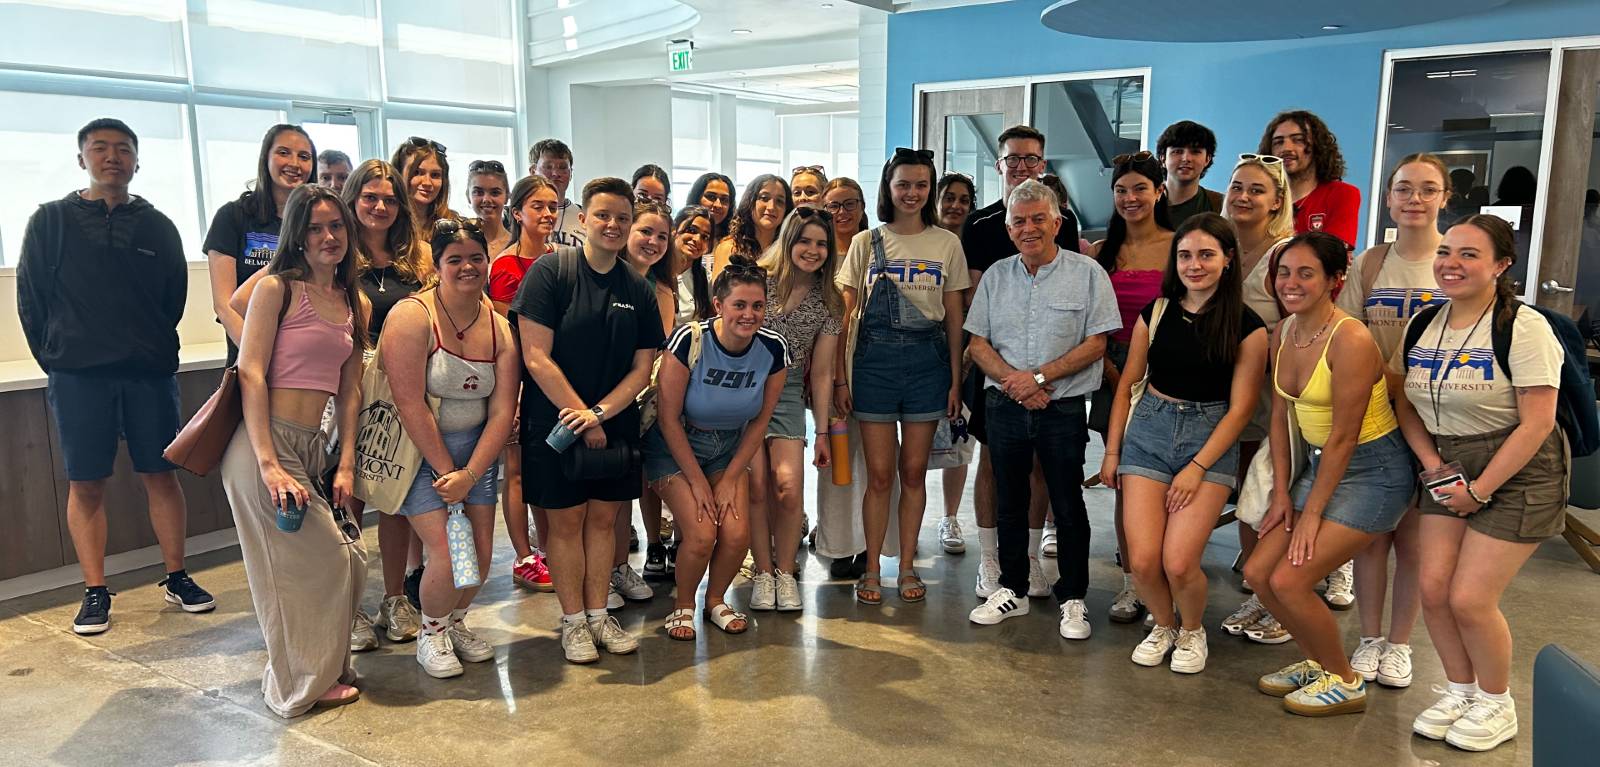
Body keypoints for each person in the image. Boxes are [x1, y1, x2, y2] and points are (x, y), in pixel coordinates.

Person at [17, 117, 212, 635]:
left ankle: (177, 576)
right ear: (82, 157)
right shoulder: (50, 222)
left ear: (136, 161)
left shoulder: (157, 225)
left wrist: (147, 346)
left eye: (123, 149)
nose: (112, 157)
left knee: (161, 475)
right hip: (79, 376)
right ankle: (95, 590)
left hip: (148, 372)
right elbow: (30, 300)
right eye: (100, 148)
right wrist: (59, 356)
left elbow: (173, 298)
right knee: (87, 484)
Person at [1393, 214, 1567, 752]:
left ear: (1500, 265)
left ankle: (1498, 703)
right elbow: (1405, 399)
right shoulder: (1423, 322)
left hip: (1519, 466)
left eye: (1470, 254)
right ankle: (1460, 690)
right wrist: (1431, 463)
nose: (1451, 263)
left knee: (1470, 598)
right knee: (1434, 589)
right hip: (1447, 462)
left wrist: (1481, 489)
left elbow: (1537, 422)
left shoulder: (1524, 326)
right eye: (1447, 251)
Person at [1243, 231, 1413, 718]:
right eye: (1283, 272)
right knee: (1258, 572)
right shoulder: (1284, 332)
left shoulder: (1351, 338)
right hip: (1318, 466)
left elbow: (1344, 436)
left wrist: (1311, 513)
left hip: (1373, 472)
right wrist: (1281, 494)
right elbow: (1280, 417)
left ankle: (1344, 679)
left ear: (1335, 281)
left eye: (1305, 273)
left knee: (1292, 581)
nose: (1290, 283)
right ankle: (1318, 661)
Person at [219, 184, 369, 717]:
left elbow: (350, 389)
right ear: (296, 236)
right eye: (314, 228)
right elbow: (251, 371)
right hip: (264, 446)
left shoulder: (355, 300)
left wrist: (346, 461)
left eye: (336, 227)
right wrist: (268, 463)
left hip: (314, 448)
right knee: (311, 564)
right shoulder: (277, 289)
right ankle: (297, 684)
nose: (328, 237)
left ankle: (323, 666)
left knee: (351, 560)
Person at [1098, 213, 1268, 671]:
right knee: (1144, 559)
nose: (1195, 265)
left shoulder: (1249, 328)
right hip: (1148, 432)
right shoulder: (1155, 313)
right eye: (1186, 255)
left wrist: (1197, 468)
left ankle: (1192, 630)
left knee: (1178, 561)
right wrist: (1112, 451)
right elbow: (1129, 383)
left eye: (1207, 255)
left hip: (1209, 438)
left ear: (1228, 260)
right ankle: (1164, 623)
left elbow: (1240, 410)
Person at [511, 177, 662, 663]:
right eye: (603, 215)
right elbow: (535, 356)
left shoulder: (637, 287)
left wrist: (599, 414)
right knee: (565, 522)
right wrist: (581, 415)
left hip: (612, 420)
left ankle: (599, 615)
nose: (613, 225)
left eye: (622, 217)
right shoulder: (550, 273)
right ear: (582, 220)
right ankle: (573, 621)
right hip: (554, 422)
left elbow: (643, 367)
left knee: (604, 520)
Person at [964, 179, 1118, 638]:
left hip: (1063, 407)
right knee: (1010, 500)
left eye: (1037, 219)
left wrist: (1039, 378)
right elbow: (978, 343)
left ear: (1057, 222)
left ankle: (1073, 598)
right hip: (1006, 405)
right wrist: (1019, 385)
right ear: (1009, 229)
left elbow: (1097, 343)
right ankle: (1011, 587)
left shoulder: (1089, 274)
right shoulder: (996, 275)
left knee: (1068, 503)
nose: (1028, 228)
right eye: (1018, 221)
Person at [380, 218, 518, 678]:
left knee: (477, 556)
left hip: (476, 455)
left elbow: (502, 412)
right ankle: (431, 631)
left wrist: (472, 473)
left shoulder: (499, 328)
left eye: (475, 258)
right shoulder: (412, 316)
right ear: (437, 266)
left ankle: (455, 621)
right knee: (447, 552)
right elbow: (408, 401)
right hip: (422, 455)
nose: (467, 267)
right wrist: (447, 473)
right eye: (454, 259)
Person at [1335, 153, 1452, 689]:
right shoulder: (1372, 262)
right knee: (1373, 537)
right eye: (1404, 189)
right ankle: (1369, 637)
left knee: (1414, 542)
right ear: (1388, 198)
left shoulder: (1454, 260)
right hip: (1378, 415)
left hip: (1436, 419)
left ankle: (1401, 644)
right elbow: (1351, 333)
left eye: (1428, 190)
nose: (1415, 199)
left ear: (1444, 198)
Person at [835, 148, 969, 606]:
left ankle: (908, 564)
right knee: (878, 475)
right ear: (888, 188)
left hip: (928, 365)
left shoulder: (946, 243)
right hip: (872, 366)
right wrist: (840, 378)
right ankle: (872, 567)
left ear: (929, 190)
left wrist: (955, 378)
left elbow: (954, 314)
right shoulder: (864, 242)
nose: (912, 193)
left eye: (920, 185)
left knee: (913, 472)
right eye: (903, 184)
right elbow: (845, 317)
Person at [961, 125, 1080, 597]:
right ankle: (990, 560)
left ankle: (1027, 559)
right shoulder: (980, 224)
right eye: (1014, 159)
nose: (1023, 166)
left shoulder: (1063, 222)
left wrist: (1045, 373)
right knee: (992, 462)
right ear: (1000, 166)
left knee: (1038, 468)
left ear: (1043, 164)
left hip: (1052, 374)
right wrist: (1008, 375)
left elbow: (1065, 288)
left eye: (1031, 158)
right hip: (998, 370)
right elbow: (974, 302)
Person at [651, 261, 790, 638]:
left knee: (736, 533)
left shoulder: (773, 349)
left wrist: (729, 479)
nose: (749, 314)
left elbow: (760, 421)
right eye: (739, 305)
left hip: (728, 446)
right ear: (719, 305)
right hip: (676, 443)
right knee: (700, 534)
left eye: (757, 306)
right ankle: (682, 603)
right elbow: (667, 418)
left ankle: (715, 600)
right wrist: (697, 483)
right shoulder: (689, 340)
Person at [341, 160, 428, 650]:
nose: (379, 206)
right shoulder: (333, 255)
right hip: (349, 393)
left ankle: (394, 598)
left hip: (402, 396)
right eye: (370, 197)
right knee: (348, 499)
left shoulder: (416, 262)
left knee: (395, 501)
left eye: (390, 199)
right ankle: (350, 606)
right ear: (353, 199)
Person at [1219, 152, 1302, 644]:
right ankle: (1256, 583)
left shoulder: (1285, 255)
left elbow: (1300, 323)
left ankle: (1277, 594)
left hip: (1274, 393)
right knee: (1246, 491)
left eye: (1256, 190)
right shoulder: (1217, 246)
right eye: (1237, 187)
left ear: (1276, 202)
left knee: (1271, 490)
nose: (1243, 197)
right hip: (1225, 390)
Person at [1089, 151, 1174, 623]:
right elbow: (1092, 323)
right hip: (1111, 368)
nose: (1130, 198)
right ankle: (1132, 581)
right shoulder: (1102, 252)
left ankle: (1165, 574)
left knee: (1166, 484)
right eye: (1121, 190)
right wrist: (1113, 373)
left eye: (1140, 188)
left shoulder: (1179, 245)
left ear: (1159, 192)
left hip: (1167, 369)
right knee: (1126, 479)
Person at [748, 207, 843, 611]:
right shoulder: (755, 280)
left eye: (821, 243)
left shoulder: (831, 302)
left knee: (787, 486)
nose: (812, 250)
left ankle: (785, 573)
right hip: (743, 386)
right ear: (788, 240)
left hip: (786, 390)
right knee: (755, 485)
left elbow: (820, 373)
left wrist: (822, 431)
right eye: (804, 240)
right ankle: (763, 572)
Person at [490, 175, 560, 593]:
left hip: (552, 377)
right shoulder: (505, 265)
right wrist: (513, 393)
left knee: (545, 467)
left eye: (553, 206)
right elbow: (507, 333)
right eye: (538, 206)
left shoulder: (560, 259)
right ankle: (524, 554)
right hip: (517, 378)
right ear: (517, 213)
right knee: (516, 470)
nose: (548, 214)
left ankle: (550, 548)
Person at [609, 199, 678, 605]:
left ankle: (620, 566)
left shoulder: (662, 292)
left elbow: (656, 354)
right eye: (645, 232)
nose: (652, 242)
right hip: (600, 397)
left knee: (632, 485)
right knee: (608, 496)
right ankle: (607, 570)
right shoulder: (602, 278)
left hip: (640, 400)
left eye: (661, 236)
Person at [816, 174, 885, 579]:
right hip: (829, 372)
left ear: (864, 206)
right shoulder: (816, 252)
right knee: (838, 458)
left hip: (875, 368)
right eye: (834, 206)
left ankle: (869, 545)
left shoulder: (878, 248)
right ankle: (839, 546)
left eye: (850, 203)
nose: (842, 213)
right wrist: (836, 379)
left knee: (875, 465)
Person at [206, 124, 315, 361]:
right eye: (283, 152)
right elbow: (224, 306)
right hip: (250, 358)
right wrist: (258, 355)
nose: (294, 163)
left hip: (304, 361)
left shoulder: (318, 222)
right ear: (265, 157)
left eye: (304, 156)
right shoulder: (233, 216)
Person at [934, 172, 977, 555]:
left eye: (964, 199)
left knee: (959, 441)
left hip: (967, 356)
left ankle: (949, 517)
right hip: (920, 356)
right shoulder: (924, 242)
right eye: (949, 197)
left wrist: (964, 360)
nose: (956, 206)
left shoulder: (975, 247)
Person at [1259, 111, 1361, 249]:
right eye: (1278, 142)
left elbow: (1332, 254)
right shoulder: (1262, 197)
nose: (1286, 148)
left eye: (1298, 140)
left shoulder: (1342, 194)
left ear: (1317, 146)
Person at [710, 174, 792, 278]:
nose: (771, 207)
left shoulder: (789, 252)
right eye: (764, 198)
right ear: (750, 202)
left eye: (779, 201)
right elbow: (719, 292)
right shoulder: (729, 248)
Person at [391, 136, 455, 248]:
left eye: (435, 175)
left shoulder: (453, 225)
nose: (427, 182)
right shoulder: (386, 223)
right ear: (398, 174)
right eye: (417, 172)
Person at [1158, 120, 1223, 227]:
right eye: (1177, 151)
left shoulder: (1220, 205)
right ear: (1163, 158)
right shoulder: (1145, 202)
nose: (1186, 158)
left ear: (1207, 159)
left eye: (1195, 152)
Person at [529, 138, 584, 248]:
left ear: (571, 173)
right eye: (548, 167)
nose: (556, 173)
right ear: (533, 171)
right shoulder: (521, 215)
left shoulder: (584, 216)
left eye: (563, 167)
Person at [467, 159, 512, 257]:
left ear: (507, 196)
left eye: (495, 193)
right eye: (479, 192)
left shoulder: (517, 244)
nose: (486, 199)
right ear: (468, 196)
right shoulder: (459, 244)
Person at [686, 172, 737, 244]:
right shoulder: (678, 234)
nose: (718, 205)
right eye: (711, 197)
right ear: (696, 198)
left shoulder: (737, 240)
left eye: (724, 199)